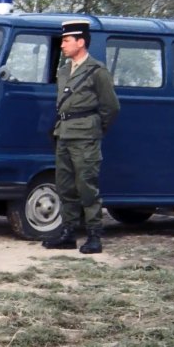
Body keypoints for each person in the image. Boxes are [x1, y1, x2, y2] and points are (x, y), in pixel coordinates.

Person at [42, 20, 120, 254]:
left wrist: (95, 128)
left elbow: (111, 107)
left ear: (81, 42)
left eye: (67, 40)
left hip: (85, 135)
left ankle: (94, 235)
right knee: (64, 186)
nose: (63, 44)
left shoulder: (97, 71)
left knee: (87, 186)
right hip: (64, 133)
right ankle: (68, 232)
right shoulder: (64, 70)